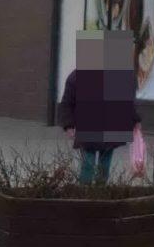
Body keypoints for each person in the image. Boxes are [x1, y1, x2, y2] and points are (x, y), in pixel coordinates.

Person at [56, 29, 140, 185]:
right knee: (88, 166)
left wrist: (135, 121)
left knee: (104, 168)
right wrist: (69, 125)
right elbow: (66, 103)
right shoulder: (77, 77)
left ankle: (99, 194)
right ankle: (85, 195)